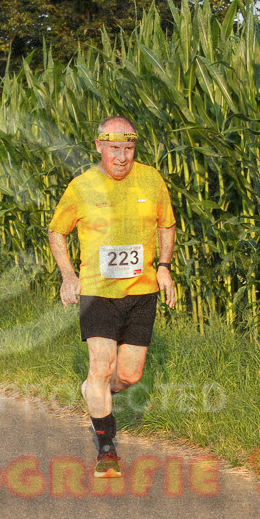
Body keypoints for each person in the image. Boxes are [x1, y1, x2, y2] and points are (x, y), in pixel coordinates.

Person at [48, 116, 177, 478]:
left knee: (129, 376)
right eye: (115, 149)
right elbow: (57, 231)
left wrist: (164, 266)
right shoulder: (82, 186)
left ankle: (95, 392)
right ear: (99, 146)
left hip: (141, 292)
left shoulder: (151, 180)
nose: (122, 157)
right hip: (97, 291)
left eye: (129, 149)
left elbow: (167, 223)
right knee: (101, 366)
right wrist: (68, 275)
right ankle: (107, 449)